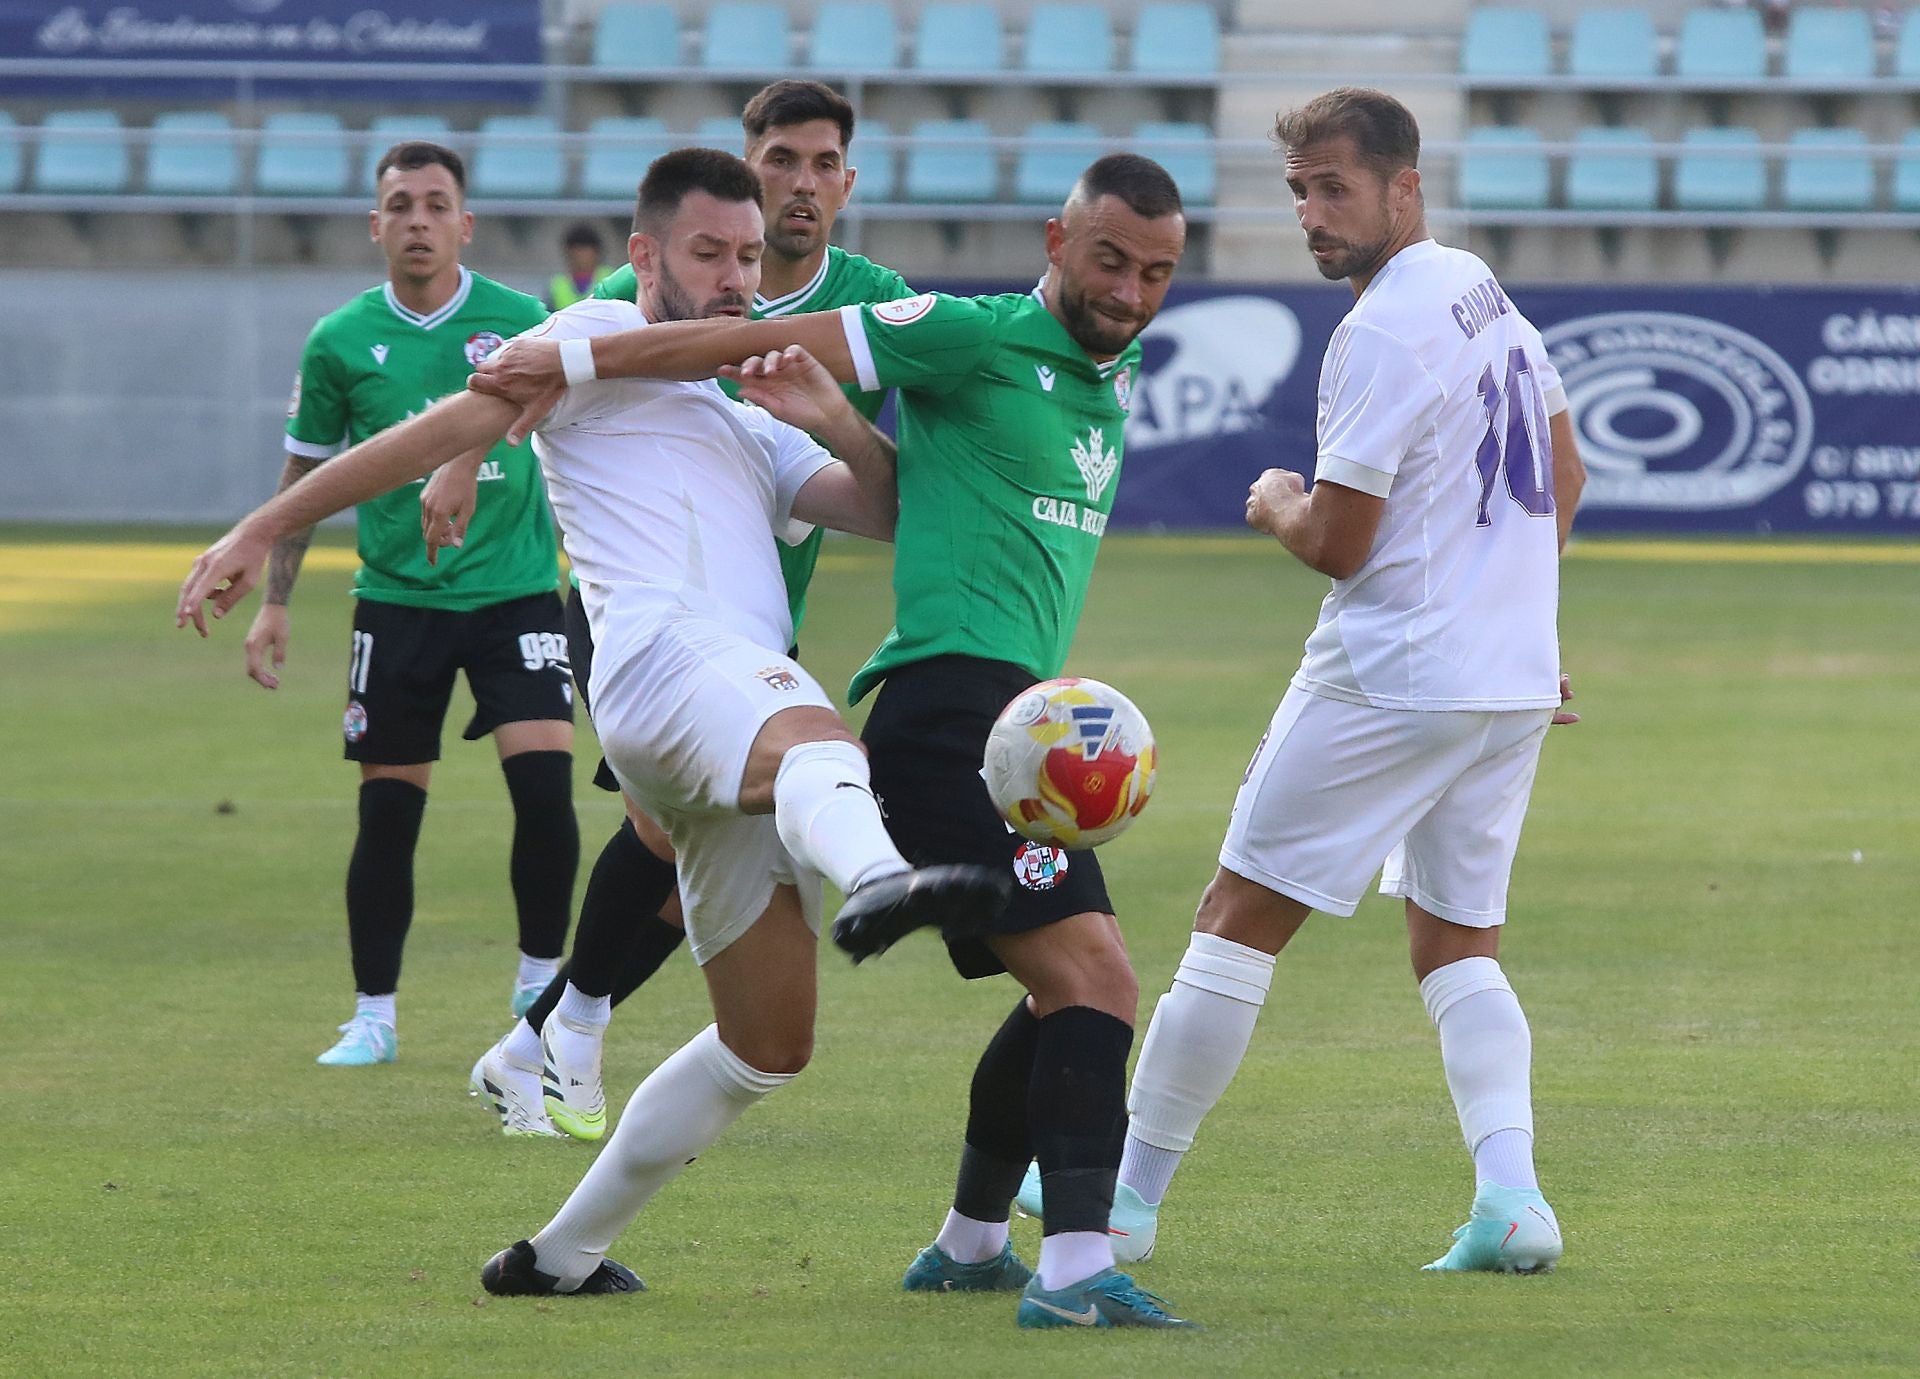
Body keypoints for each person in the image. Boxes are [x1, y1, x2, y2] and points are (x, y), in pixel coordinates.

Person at [178, 146, 1007, 1298]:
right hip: (667, 665)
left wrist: (831, 413)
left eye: (750, 259)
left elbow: (887, 507)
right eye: (708, 252)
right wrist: (262, 528)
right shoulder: (591, 352)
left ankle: (556, 1253)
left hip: (718, 718)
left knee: (769, 1045)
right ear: (643, 256)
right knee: (825, 739)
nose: (734, 279)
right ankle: (881, 876)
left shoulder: (749, 417)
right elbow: (424, 437)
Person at [469, 153, 1198, 1329]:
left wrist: (842, 429)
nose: (1129, 289)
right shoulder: (969, 331)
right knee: (1093, 982)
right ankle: (1070, 1269)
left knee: (1044, 991)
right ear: (1056, 240)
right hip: (948, 717)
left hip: (1008, 713)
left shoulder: (1099, 384)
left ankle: (966, 1241)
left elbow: (910, 503)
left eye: (1157, 272)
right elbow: (750, 341)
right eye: (1109, 259)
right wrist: (575, 354)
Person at [1017, 87, 1587, 1273]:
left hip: (1393, 675)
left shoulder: (1378, 330)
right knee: (1459, 941)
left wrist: (1278, 495)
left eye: (1336, 188)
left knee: (1235, 922)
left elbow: (1339, 542)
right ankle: (1513, 1199)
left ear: (1404, 186)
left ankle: (1123, 1199)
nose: (1315, 214)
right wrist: (1512, 622)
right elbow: (1565, 471)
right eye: (1299, 192)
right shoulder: (1482, 286)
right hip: (1506, 679)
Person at [458, 79, 916, 1142]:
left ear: (846, 183)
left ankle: (544, 1043)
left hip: (757, 599)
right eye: (781, 160)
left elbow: (874, 488)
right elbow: (530, 377)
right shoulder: (634, 292)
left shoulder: (864, 298)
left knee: (690, 841)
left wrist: (835, 419)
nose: (800, 185)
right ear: (749, 164)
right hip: (650, 616)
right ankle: (568, 1023)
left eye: (821, 165)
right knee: (667, 828)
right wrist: (459, 461)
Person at [251, 140, 578, 1067]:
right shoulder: (341, 341)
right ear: (376, 225)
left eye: (437, 204)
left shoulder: (521, 321)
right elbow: (304, 473)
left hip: (516, 595)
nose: (419, 221)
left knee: (545, 791)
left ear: (465, 224)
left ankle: (536, 985)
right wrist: (275, 603)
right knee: (388, 816)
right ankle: (374, 1015)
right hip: (394, 603)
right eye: (401, 205)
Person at [545, 223, 613, 310]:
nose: (580, 257)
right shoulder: (557, 286)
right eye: (576, 251)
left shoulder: (610, 280)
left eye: (585, 251)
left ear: (596, 253)